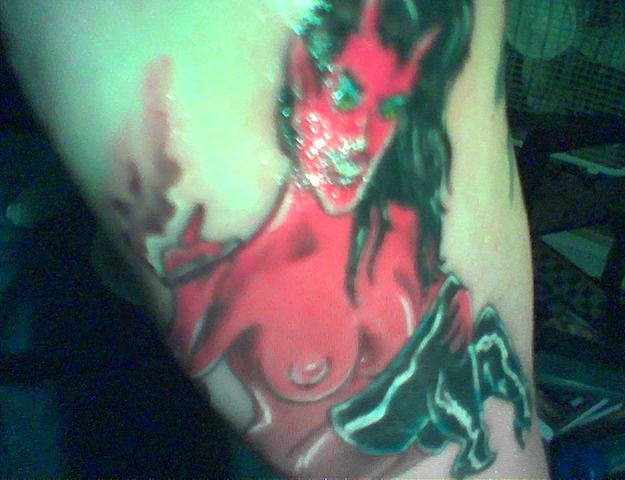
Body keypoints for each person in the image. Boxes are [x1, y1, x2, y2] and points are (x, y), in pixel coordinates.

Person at [0, 1, 549, 478]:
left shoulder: (404, 226)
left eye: (390, 109)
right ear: (304, 73)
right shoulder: (244, 287)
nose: (362, 135)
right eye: (347, 92)